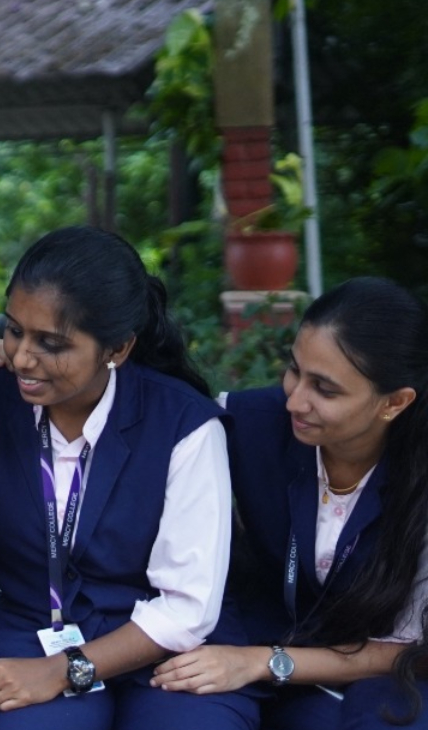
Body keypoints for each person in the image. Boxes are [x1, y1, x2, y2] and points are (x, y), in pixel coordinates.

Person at [0, 226, 238, 729]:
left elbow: (187, 608)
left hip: (157, 650)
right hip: (28, 633)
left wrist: (63, 671)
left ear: (118, 348)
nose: (23, 357)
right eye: (14, 330)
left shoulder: (183, 425)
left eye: (51, 343)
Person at [150, 277, 428, 730]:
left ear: (394, 402)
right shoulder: (248, 420)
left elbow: (403, 652)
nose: (295, 399)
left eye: (325, 389)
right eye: (295, 370)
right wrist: (25, 361)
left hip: (387, 674)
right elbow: (150, 403)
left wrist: (264, 662)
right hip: (262, 644)